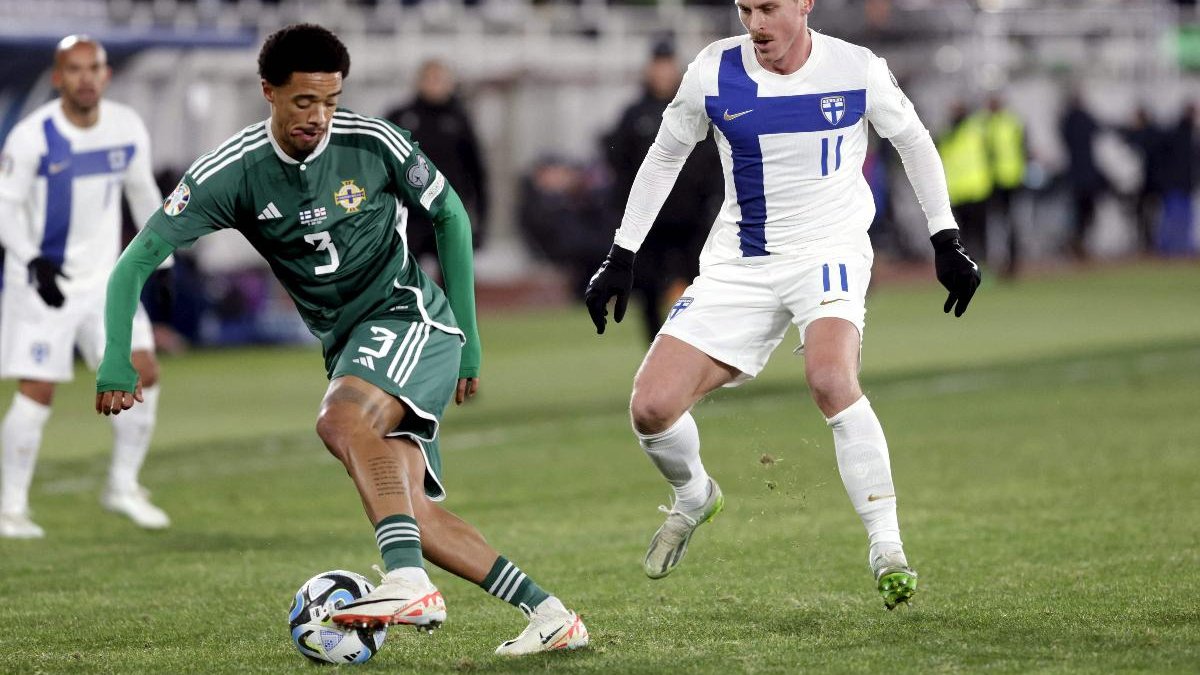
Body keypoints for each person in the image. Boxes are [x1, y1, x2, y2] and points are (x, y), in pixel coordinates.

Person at [94, 25, 587, 655]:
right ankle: (551, 615)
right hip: (349, 343)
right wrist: (115, 358)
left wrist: (469, 337)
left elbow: (451, 214)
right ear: (268, 91)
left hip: (408, 317)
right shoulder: (234, 171)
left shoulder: (372, 142)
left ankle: (407, 583)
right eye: (304, 101)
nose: (320, 117)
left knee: (341, 420)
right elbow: (135, 261)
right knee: (413, 513)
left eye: (331, 101)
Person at [584, 0, 980, 610]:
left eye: (768, 7)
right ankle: (695, 496)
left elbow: (914, 141)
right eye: (745, 9)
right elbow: (665, 154)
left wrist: (945, 237)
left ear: (804, 3)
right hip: (740, 262)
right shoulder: (713, 72)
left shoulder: (856, 69)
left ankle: (887, 547)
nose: (756, 25)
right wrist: (622, 253)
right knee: (651, 408)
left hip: (829, 250)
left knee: (830, 379)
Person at [0, 35, 170, 539]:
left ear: (106, 74)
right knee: (37, 391)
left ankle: (122, 485)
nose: (85, 78)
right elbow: (5, 207)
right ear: (58, 78)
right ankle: (10, 508)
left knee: (143, 372)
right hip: (42, 284)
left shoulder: (125, 127)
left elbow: (142, 192)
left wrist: (164, 262)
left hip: (105, 282)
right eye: (74, 69)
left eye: (93, 68)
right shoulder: (31, 137)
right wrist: (32, 260)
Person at [604, 40, 722, 343]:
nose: (663, 72)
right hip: (651, 221)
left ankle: (698, 347)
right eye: (658, 65)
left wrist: (712, 203)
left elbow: (713, 162)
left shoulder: (695, 110)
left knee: (700, 284)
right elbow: (620, 167)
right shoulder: (634, 116)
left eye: (668, 65)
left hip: (692, 219)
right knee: (647, 288)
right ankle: (656, 348)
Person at [385, 59, 489, 265]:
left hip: (448, 210)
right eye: (429, 79)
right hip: (409, 213)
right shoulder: (400, 116)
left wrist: (481, 221)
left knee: (453, 275)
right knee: (404, 274)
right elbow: (383, 166)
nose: (434, 84)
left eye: (439, 79)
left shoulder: (460, 120)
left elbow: (476, 171)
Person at [938, 100, 993, 268]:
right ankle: (969, 267)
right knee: (964, 235)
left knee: (978, 234)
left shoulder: (974, 130)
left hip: (977, 190)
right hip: (959, 192)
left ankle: (982, 266)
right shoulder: (947, 135)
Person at [1058, 91, 1110, 260]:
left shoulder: (1066, 120)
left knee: (1078, 213)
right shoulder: (1085, 118)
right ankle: (1079, 243)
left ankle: (1077, 243)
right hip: (1087, 175)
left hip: (1075, 174)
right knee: (1087, 213)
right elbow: (1101, 129)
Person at [982, 95, 1026, 278]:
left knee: (1011, 224)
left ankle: (1012, 263)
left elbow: (1023, 148)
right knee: (994, 225)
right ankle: (995, 262)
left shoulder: (1012, 123)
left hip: (1011, 181)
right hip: (991, 182)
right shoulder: (982, 124)